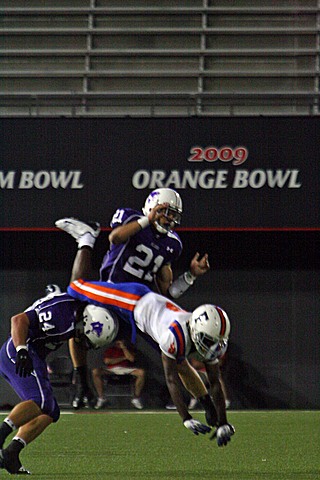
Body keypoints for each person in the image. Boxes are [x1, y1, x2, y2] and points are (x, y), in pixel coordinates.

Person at [56, 188, 210, 408]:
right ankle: (82, 384)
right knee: (78, 322)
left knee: (177, 355)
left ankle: (206, 404)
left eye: (173, 214)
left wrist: (191, 276)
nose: (169, 218)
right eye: (165, 211)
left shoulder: (173, 244)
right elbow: (115, 237)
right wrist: (148, 219)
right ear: (152, 206)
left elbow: (167, 293)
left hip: (139, 305)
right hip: (112, 292)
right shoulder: (131, 218)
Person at [0, 288, 119, 474]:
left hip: (33, 356)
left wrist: (81, 377)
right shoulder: (61, 311)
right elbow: (18, 319)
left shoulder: (77, 317)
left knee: (51, 411)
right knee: (42, 401)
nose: (83, 342)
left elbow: (75, 340)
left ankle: (12, 452)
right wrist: (22, 350)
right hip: (18, 350)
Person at [92, 339, 145, 410]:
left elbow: (131, 359)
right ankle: (101, 398)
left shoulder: (128, 350)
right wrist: (123, 358)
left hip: (126, 369)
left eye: (120, 342)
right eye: (117, 342)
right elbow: (107, 361)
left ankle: (136, 398)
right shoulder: (110, 350)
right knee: (95, 372)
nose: (119, 343)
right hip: (112, 370)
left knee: (141, 372)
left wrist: (124, 348)